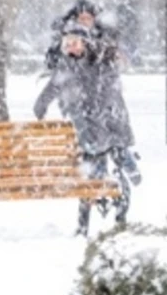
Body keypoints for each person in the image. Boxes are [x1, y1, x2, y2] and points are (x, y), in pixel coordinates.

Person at [34, 22, 139, 236]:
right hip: (88, 132)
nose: (69, 47)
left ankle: (120, 214)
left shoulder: (100, 62)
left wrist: (91, 111)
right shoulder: (67, 65)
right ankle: (84, 225)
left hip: (110, 127)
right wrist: (41, 104)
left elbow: (108, 93)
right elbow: (54, 85)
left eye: (73, 43)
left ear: (85, 43)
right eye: (66, 43)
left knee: (111, 173)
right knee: (91, 177)